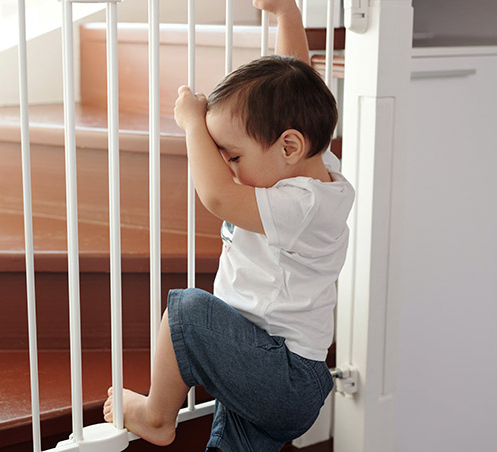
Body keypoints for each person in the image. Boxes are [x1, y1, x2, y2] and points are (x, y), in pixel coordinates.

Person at [104, 0, 354, 450]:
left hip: (282, 372)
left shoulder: (302, 204)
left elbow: (217, 196)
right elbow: (298, 77)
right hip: (269, 363)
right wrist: (286, 16)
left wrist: (192, 125)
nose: (229, 170)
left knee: (188, 311)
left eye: (233, 156)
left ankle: (157, 416)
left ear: (289, 147)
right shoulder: (315, 164)